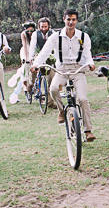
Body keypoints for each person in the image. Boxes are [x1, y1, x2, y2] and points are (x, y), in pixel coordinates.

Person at [31, 9, 96, 142]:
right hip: (62, 70)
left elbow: (87, 54)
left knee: (83, 99)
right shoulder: (55, 37)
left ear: (76, 21)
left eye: (73, 19)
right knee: (54, 89)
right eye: (68, 19)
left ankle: (88, 130)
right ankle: (62, 110)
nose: (71, 22)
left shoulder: (83, 36)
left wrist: (90, 63)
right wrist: (36, 64)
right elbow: (44, 52)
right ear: (64, 19)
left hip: (78, 70)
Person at [28, 17, 57, 108]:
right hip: (38, 56)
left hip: (50, 58)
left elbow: (56, 47)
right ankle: (30, 87)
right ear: (38, 26)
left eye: (45, 26)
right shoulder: (35, 34)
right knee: (33, 74)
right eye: (42, 27)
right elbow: (32, 46)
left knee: (51, 79)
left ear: (49, 26)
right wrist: (31, 58)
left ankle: (50, 102)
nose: (44, 28)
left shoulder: (54, 34)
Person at [20, 21, 36, 95]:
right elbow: (25, 46)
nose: (30, 32)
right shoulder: (23, 34)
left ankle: (35, 87)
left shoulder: (36, 33)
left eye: (31, 31)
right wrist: (27, 58)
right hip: (25, 50)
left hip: (34, 50)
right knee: (25, 66)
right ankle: (25, 84)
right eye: (28, 31)